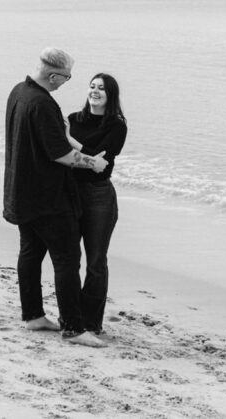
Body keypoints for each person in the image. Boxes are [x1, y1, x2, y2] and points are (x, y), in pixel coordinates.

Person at [4, 47, 109, 348]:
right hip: (47, 198)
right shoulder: (42, 103)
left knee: (31, 253)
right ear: (53, 75)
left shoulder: (18, 92)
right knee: (67, 260)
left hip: (21, 191)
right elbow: (61, 154)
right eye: (66, 78)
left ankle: (33, 316)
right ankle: (74, 328)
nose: (67, 83)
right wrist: (95, 163)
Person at [67, 73, 127, 336]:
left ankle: (91, 323)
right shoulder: (72, 119)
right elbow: (78, 155)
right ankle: (71, 317)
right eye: (92, 86)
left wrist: (71, 141)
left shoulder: (117, 125)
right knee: (68, 260)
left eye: (101, 88)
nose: (95, 91)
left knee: (96, 262)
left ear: (110, 95)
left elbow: (98, 157)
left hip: (99, 196)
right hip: (69, 194)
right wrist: (81, 151)